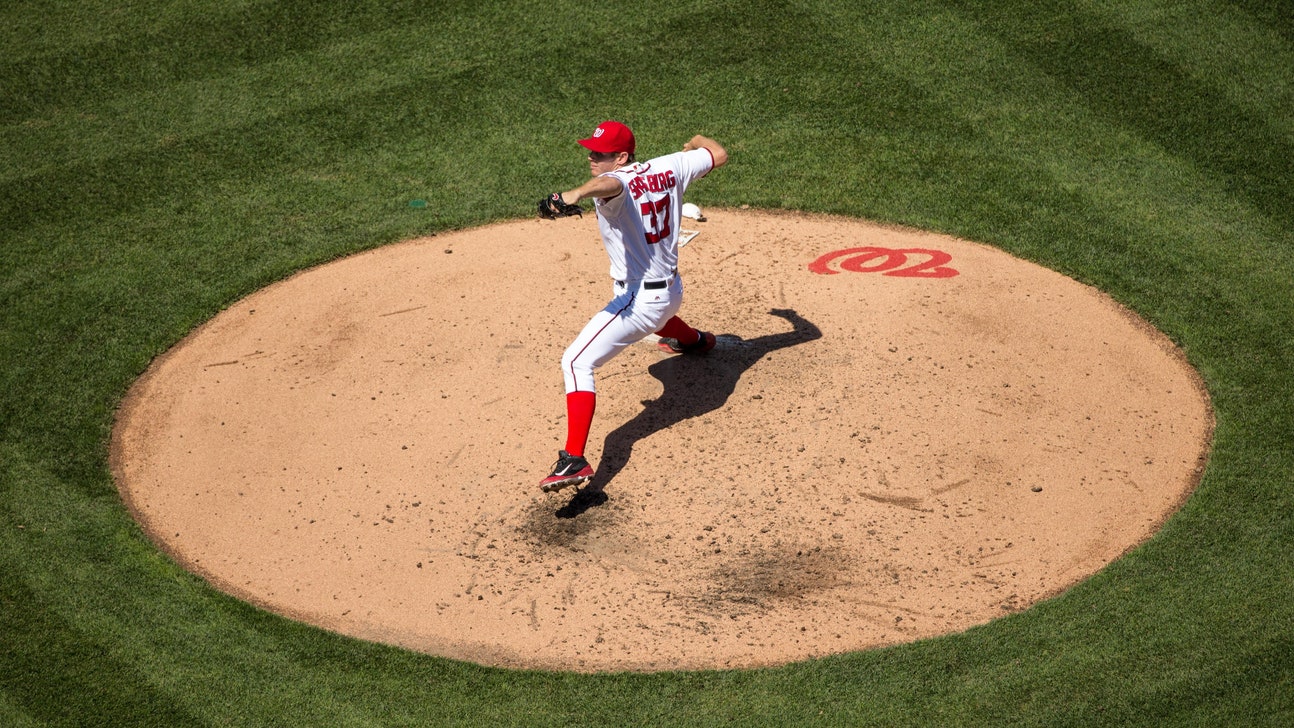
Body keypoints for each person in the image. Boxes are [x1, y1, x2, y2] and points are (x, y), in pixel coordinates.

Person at [536, 120, 728, 492]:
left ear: (622, 157)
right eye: (591, 151)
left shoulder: (615, 182)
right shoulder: (672, 165)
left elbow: (612, 185)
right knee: (659, 319)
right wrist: (696, 140)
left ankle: (574, 458)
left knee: (576, 362)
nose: (591, 158)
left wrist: (574, 194)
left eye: (600, 153)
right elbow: (718, 154)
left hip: (641, 301)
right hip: (671, 291)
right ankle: (696, 341)